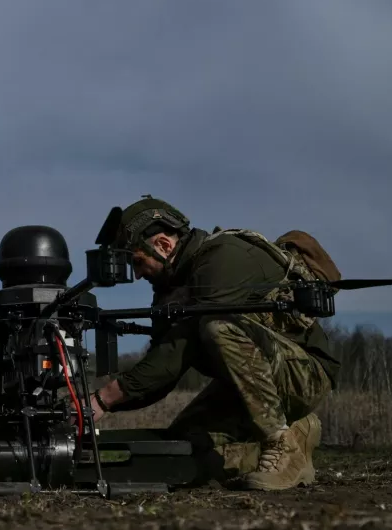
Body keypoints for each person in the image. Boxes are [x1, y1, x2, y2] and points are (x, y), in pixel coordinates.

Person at [89, 195, 342, 491]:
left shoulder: (223, 257)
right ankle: (296, 434)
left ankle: (280, 444)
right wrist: (98, 403)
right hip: (245, 389)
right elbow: (160, 371)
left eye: (138, 261)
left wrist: (101, 400)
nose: (138, 273)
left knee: (216, 325)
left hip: (305, 376)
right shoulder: (170, 290)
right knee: (185, 450)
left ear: (162, 245)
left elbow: (176, 352)